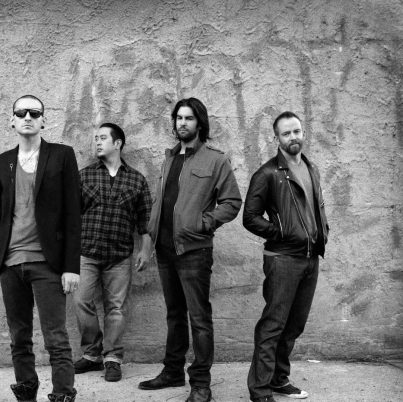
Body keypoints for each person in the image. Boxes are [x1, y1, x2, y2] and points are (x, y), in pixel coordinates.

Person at [138, 98, 242, 402]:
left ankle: (201, 384)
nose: (182, 123)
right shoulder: (170, 158)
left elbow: (232, 202)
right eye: (179, 118)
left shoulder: (215, 160)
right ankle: (173, 371)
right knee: (174, 314)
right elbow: (161, 202)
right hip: (165, 250)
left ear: (200, 123)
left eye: (189, 118)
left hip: (194, 251)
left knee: (199, 318)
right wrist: (149, 239)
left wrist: (204, 222)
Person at [0, 95, 80, 402]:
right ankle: (26, 391)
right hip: (11, 263)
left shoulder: (62, 155)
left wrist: (71, 267)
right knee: (19, 337)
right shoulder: (2, 162)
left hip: (47, 263)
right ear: (11, 120)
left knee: (56, 337)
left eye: (34, 112)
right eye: (21, 112)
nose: (27, 117)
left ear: (43, 121)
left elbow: (73, 213)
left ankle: (63, 394)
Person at [243, 111, 329, 402]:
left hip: (310, 257)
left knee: (294, 325)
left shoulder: (311, 168)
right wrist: (281, 232)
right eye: (286, 133)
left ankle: (279, 380)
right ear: (276, 138)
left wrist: (323, 232)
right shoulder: (267, 173)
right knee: (273, 325)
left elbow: (316, 209)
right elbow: (250, 217)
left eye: (297, 131)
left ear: (303, 133)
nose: (293, 137)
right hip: (282, 259)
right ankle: (260, 390)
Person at [73, 123, 152, 382]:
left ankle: (113, 358)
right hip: (86, 252)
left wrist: (145, 250)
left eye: (102, 138)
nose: (97, 142)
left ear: (117, 144)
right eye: (95, 138)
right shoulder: (84, 176)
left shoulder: (136, 179)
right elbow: (70, 216)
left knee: (116, 308)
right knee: (81, 301)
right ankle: (91, 354)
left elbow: (145, 220)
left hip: (120, 256)